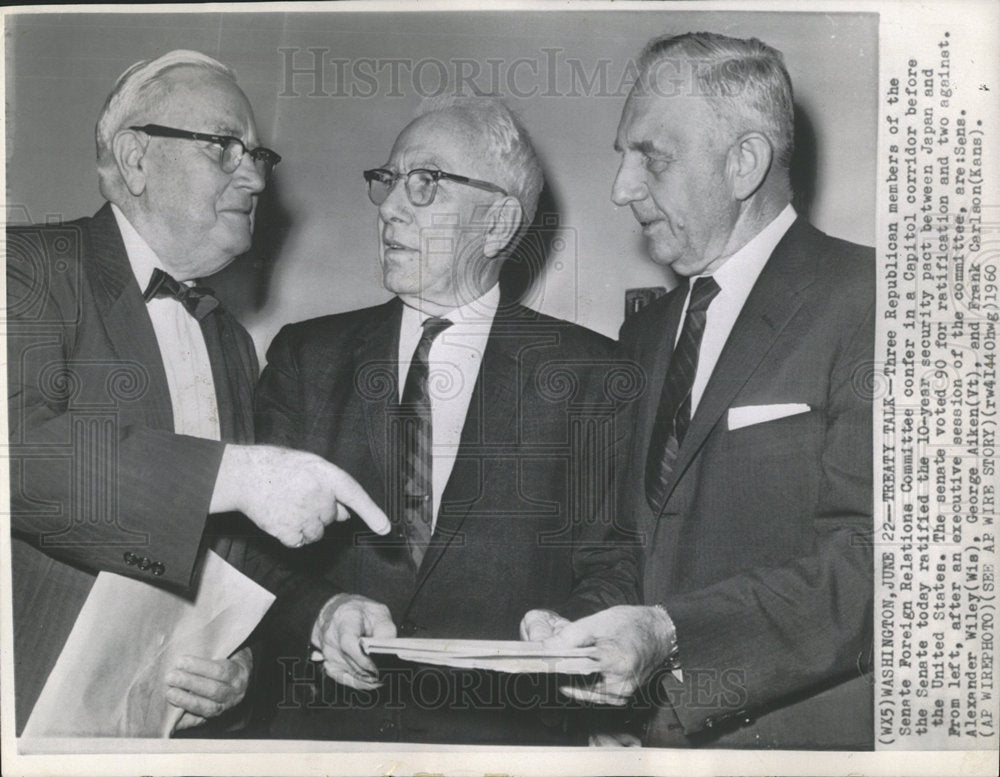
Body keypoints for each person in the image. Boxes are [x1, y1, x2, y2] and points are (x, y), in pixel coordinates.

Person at [6, 49, 389, 736]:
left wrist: (242, 658)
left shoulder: (232, 342)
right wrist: (236, 472)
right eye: (224, 146)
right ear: (135, 157)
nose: (255, 175)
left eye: (257, 154)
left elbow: (234, 551)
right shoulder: (27, 268)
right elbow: (15, 452)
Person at [253, 96, 638, 744]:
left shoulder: (589, 375)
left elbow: (614, 566)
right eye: (389, 180)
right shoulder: (304, 357)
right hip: (320, 736)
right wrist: (318, 610)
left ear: (497, 224)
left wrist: (566, 630)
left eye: (425, 183)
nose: (391, 206)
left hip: (504, 741)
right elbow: (244, 550)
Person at [532, 32, 875, 748]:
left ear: (743, 162)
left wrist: (670, 634)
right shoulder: (645, 334)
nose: (622, 188)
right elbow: (634, 540)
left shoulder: (875, 298)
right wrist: (587, 633)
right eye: (623, 157)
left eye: (649, 156)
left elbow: (876, 563)